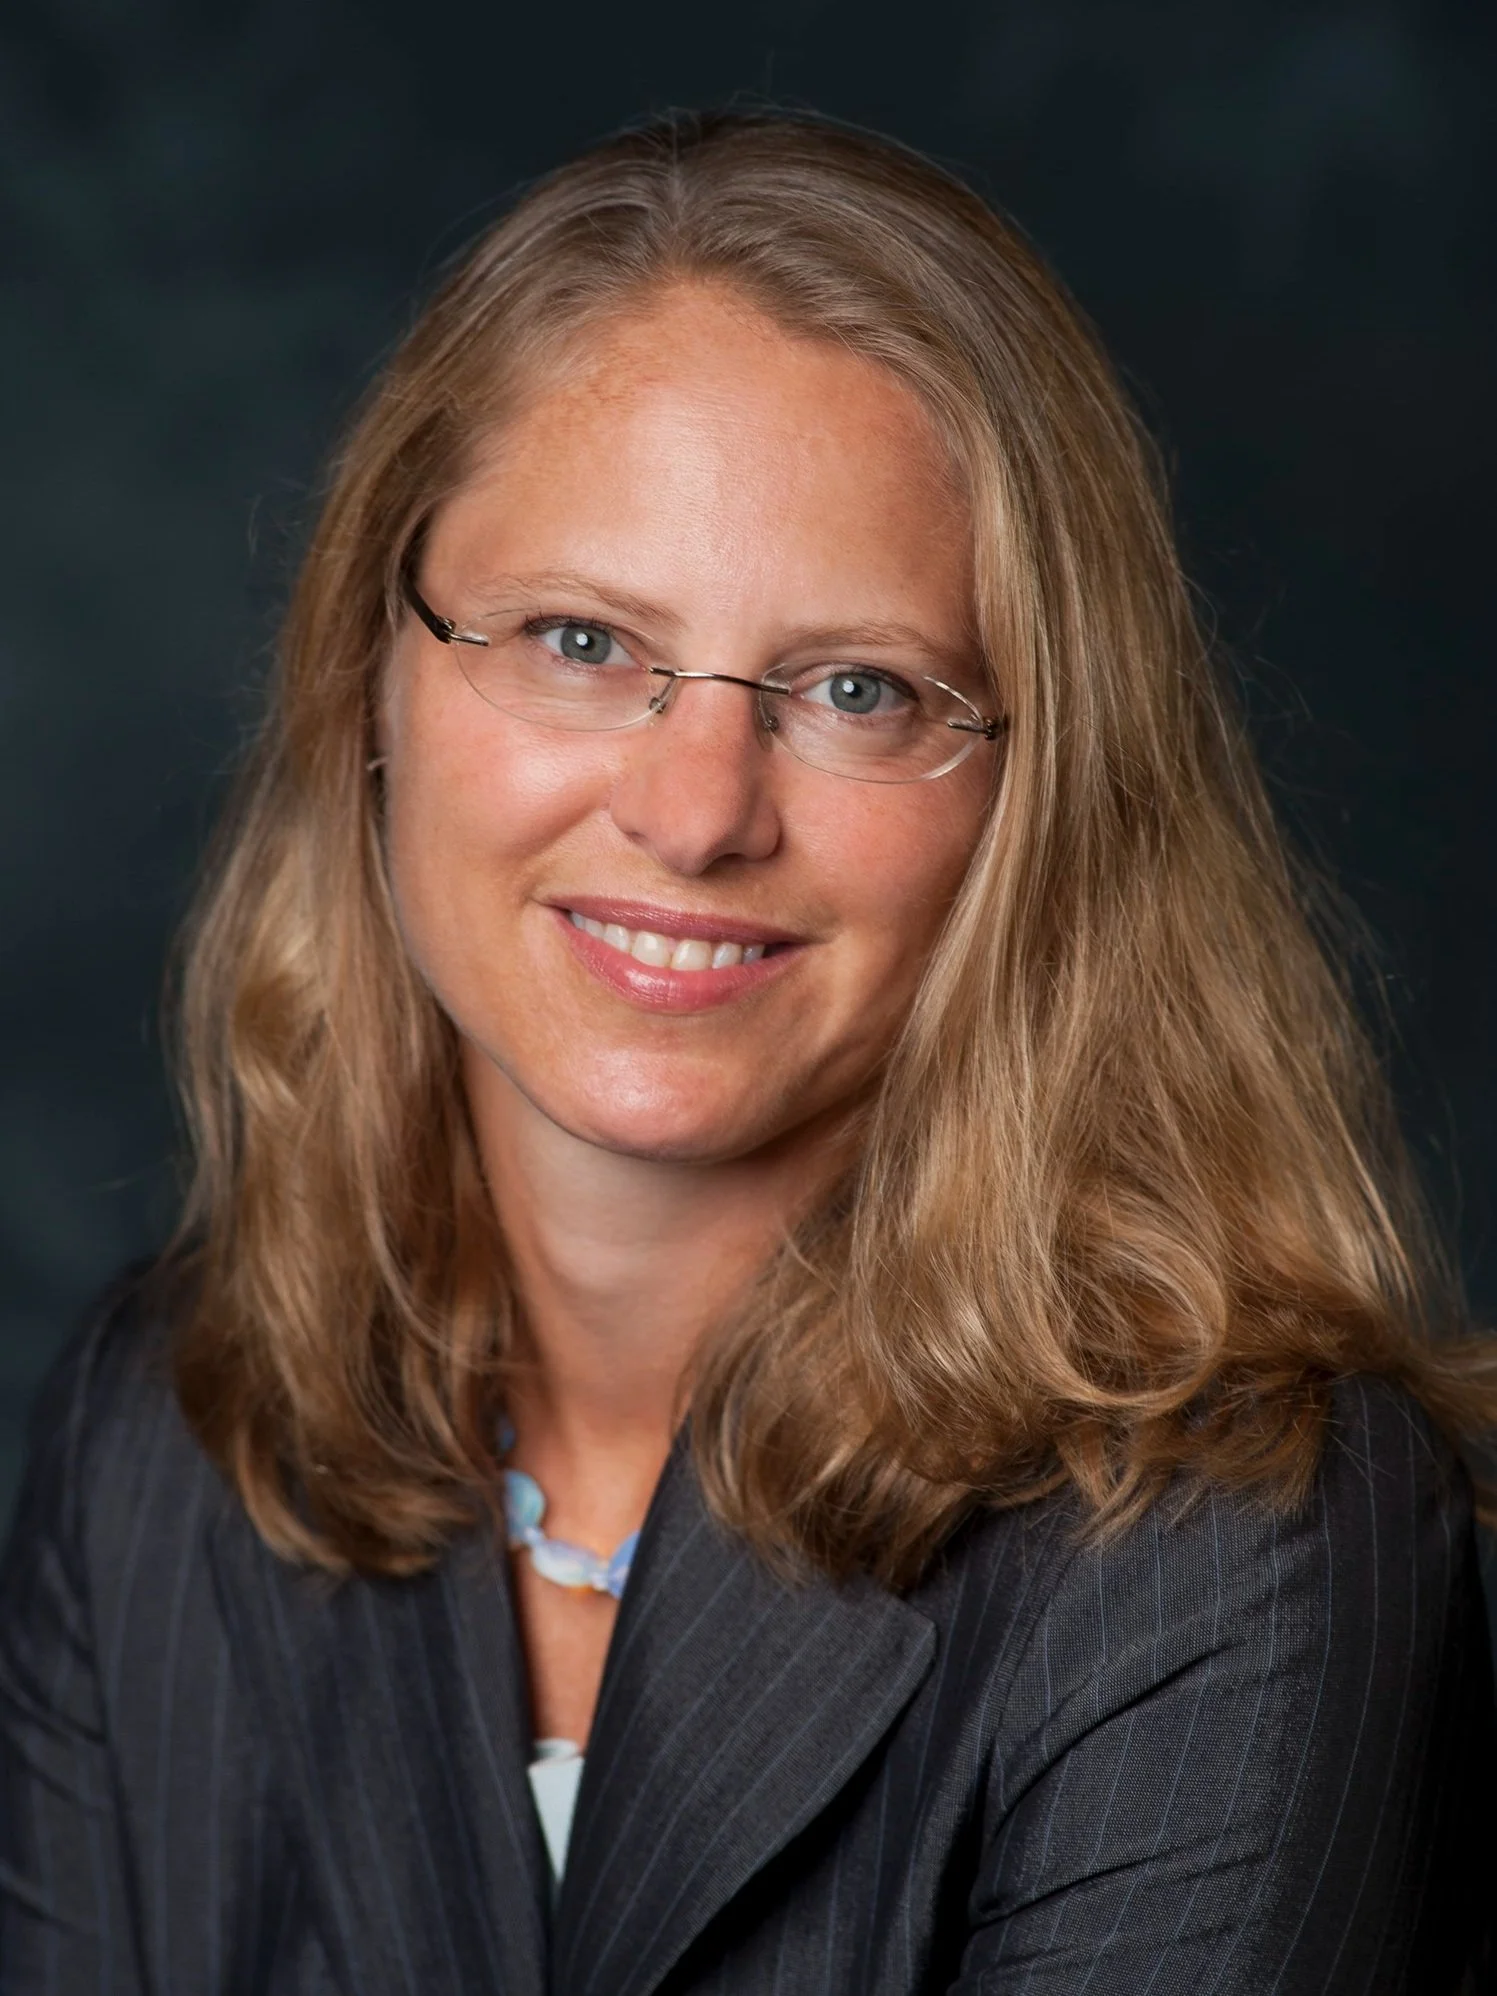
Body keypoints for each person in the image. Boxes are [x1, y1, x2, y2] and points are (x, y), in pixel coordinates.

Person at [1, 109, 1493, 1996]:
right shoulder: (164, 1441)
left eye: (857, 689)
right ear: (368, 677)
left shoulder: (1243, 1537)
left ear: (1040, 792)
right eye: (575, 639)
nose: (699, 812)